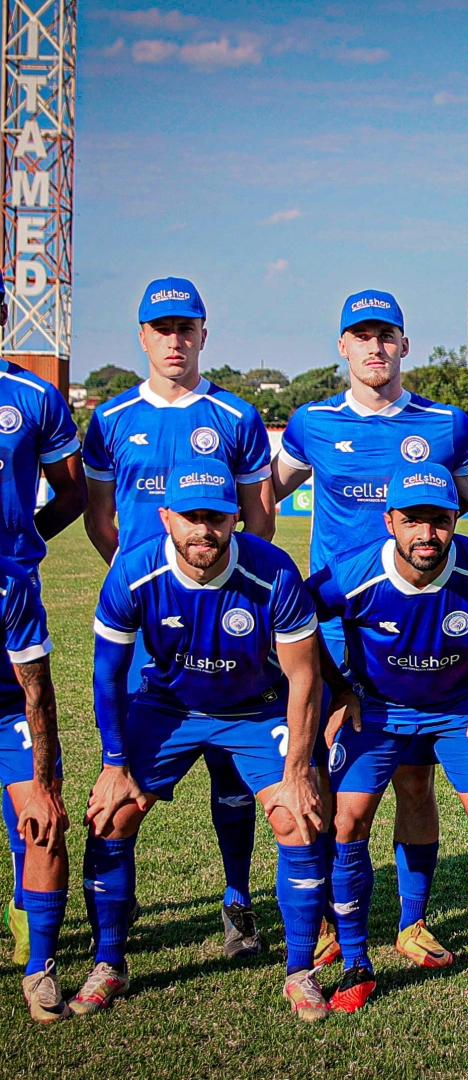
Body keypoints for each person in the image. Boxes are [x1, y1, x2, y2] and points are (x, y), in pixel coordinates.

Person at [272, 289, 468, 971]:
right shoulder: (312, 422)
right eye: (362, 335)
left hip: (429, 628)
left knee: (415, 784)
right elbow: (258, 492)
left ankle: (411, 922)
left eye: (388, 335)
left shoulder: (445, 425)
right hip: (333, 631)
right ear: (343, 347)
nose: (375, 347)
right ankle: (324, 914)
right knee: (322, 783)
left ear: (404, 345)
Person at [71, 462, 330, 1020]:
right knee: (112, 814)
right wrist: (114, 762)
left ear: (237, 517)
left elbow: (305, 677)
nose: (203, 530)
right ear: (166, 517)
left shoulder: (273, 572)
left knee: (296, 815)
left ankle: (300, 970)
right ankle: (109, 962)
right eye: (190, 517)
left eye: (215, 516)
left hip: (256, 708)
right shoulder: (135, 570)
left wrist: (298, 770)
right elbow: (106, 675)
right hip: (170, 705)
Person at [82, 277, 275, 960]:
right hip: (146, 621)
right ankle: (115, 907)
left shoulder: (237, 416)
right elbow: (101, 520)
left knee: (231, 771)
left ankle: (236, 901)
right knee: (126, 771)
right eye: (160, 327)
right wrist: (145, 581)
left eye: (185, 326)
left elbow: (259, 518)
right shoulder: (107, 420)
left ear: (203, 332)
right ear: (141, 335)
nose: (174, 338)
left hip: (226, 617)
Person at [307, 465, 468, 1017]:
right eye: (412, 520)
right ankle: (357, 961)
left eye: (439, 519)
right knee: (348, 820)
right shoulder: (353, 573)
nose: (426, 534)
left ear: (457, 519)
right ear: (390, 522)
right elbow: (298, 622)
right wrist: (339, 690)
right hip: (376, 711)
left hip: (457, 709)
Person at [0, 276, 87, 966]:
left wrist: (25, 541)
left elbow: (73, 493)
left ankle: (32, 915)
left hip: (11, 594)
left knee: (35, 804)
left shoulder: (33, 397)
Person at [0, 554, 70, 1021]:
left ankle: (39, 968)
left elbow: (37, 695)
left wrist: (44, 789)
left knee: (42, 824)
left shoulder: (9, 584)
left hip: (9, 713)